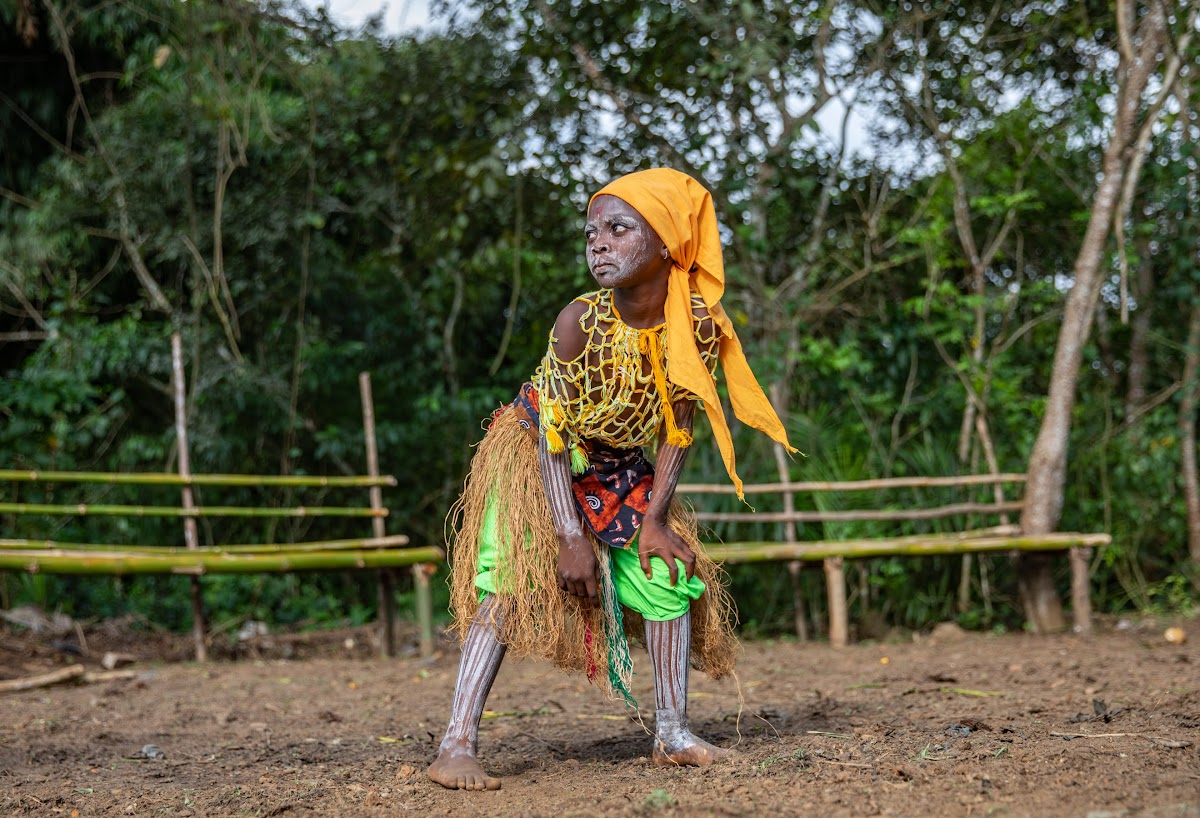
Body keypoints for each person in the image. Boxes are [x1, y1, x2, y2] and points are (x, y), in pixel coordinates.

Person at [426, 168, 795, 791]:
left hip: (620, 465)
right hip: (538, 454)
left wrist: (655, 517)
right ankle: (455, 744)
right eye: (592, 231)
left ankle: (673, 732)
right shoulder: (577, 323)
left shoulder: (697, 325)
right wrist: (570, 535)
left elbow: (679, 423)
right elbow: (551, 432)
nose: (598, 243)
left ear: (668, 243)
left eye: (618, 229)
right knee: (508, 583)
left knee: (666, 574)